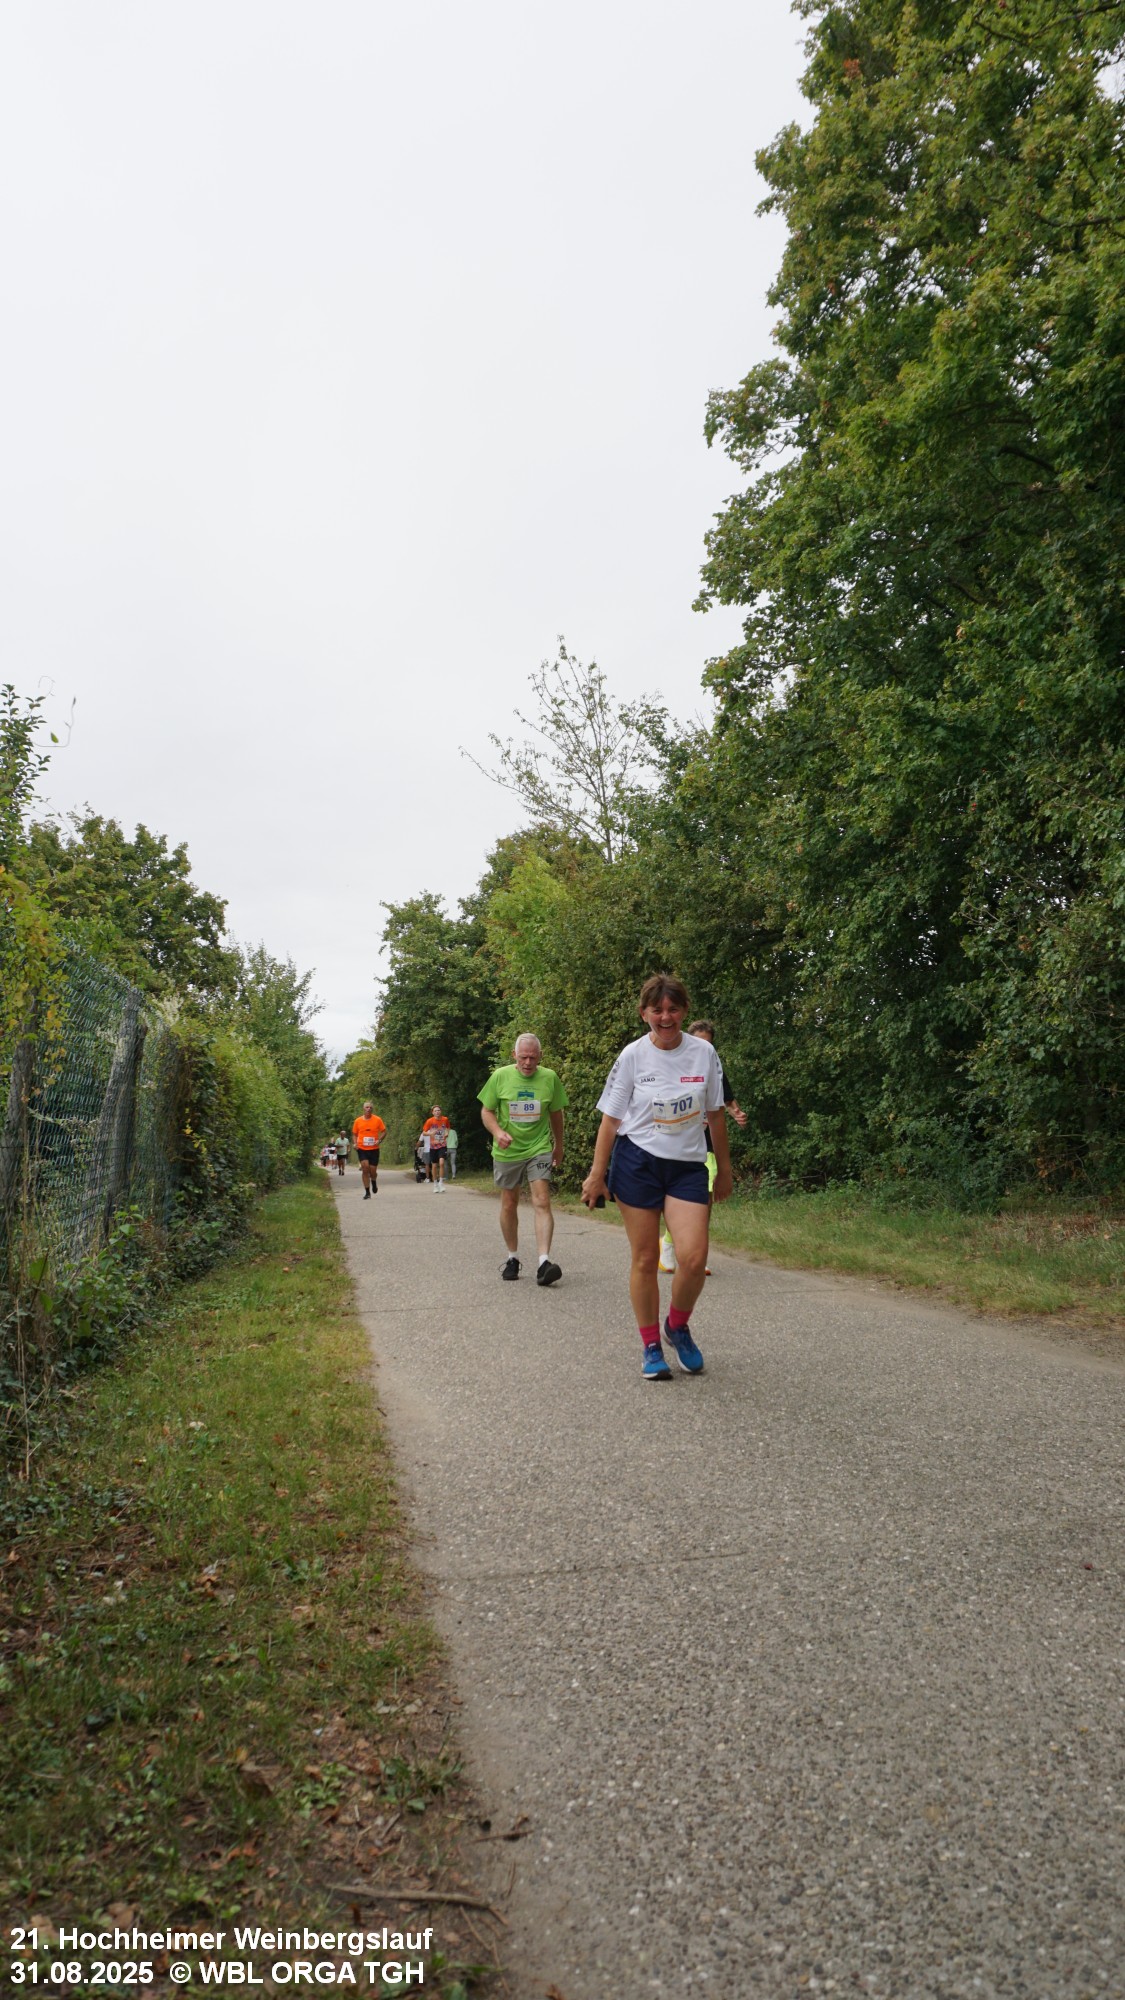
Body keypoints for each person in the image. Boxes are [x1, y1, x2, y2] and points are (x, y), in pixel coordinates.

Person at [581, 975, 731, 1380]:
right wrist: (596, 1176)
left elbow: (716, 1115)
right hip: (638, 1163)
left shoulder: (704, 1053)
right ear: (643, 1013)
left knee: (694, 1259)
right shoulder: (632, 1056)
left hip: (687, 1166)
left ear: (685, 1010)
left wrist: (725, 1170)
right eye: (657, 1010)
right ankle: (650, 1345)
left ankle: (676, 1327)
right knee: (646, 1258)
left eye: (673, 1009)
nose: (666, 1017)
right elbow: (610, 1121)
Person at [478, 1033, 568, 1285]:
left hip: (539, 1147)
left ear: (540, 1056)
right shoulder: (500, 1076)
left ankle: (544, 1262)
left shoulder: (549, 1078)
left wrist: (558, 1145)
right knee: (509, 1203)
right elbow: (486, 1111)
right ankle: (512, 1258)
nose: (528, 1063)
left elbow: (556, 1113)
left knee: (542, 1200)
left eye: (533, 1058)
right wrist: (498, 1132)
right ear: (514, 1055)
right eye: (523, 1057)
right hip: (508, 1150)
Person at [660, 1020, 748, 1273]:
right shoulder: (671, 1065)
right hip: (675, 1145)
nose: (704, 1047)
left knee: (704, 1200)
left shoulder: (713, 1067)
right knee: (675, 1201)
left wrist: (737, 1114)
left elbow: (726, 1101)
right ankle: (669, 1244)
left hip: (705, 1146)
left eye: (709, 1043)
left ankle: (696, 1255)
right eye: (699, 1042)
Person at [352, 1100, 387, 1199]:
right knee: (365, 1168)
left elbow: (384, 1132)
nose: (369, 1109)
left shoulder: (377, 1119)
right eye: (367, 1107)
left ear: (372, 1109)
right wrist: (355, 1143)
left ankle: (374, 1181)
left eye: (370, 1107)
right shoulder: (358, 1121)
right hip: (362, 1148)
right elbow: (354, 1134)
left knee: (373, 1171)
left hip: (374, 1149)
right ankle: (367, 1192)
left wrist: (379, 1140)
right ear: (363, 1109)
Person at [421, 1105, 451, 1189]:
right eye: (435, 1111)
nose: (437, 1112)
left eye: (438, 1110)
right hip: (433, 1146)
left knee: (441, 1163)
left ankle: (441, 1183)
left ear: (441, 1111)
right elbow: (424, 1133)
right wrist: (430, 1133)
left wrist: (447, 1133)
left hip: (442, 1144)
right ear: (432, 1112)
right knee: (434, 1165)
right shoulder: (429, 1121)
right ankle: (435, 1184)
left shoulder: (445, 1119)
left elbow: (448, 1127)